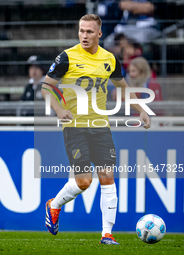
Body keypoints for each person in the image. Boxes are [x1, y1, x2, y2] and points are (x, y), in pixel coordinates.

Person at [41, 14, 151, 245]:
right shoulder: (67, 57)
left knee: (107, 177)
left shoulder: (109, 59)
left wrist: (141, 110)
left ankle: (107, 234)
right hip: (75, 127)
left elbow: (123, 89)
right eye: (81, 30)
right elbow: (46, 87)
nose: (84, 35)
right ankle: (54, 204)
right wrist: (59, 110)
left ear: (99, 34)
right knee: (83, 182)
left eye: (89, 32)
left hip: (100, 127)